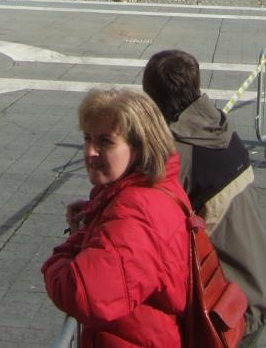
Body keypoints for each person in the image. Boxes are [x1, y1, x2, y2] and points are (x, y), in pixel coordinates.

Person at [142, 50, 266, 344]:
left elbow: (148, 228)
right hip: (260, 284)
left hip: (228, 307)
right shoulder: (221, 128)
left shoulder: (177, 155)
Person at [43, 88, 191, 347]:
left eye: (105, 142)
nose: (90, 151)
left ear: (140, 147)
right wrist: (94, 218)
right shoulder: (153, 188)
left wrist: (61, 257)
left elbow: (80, 292)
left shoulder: (137, 213)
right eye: (87, 138)